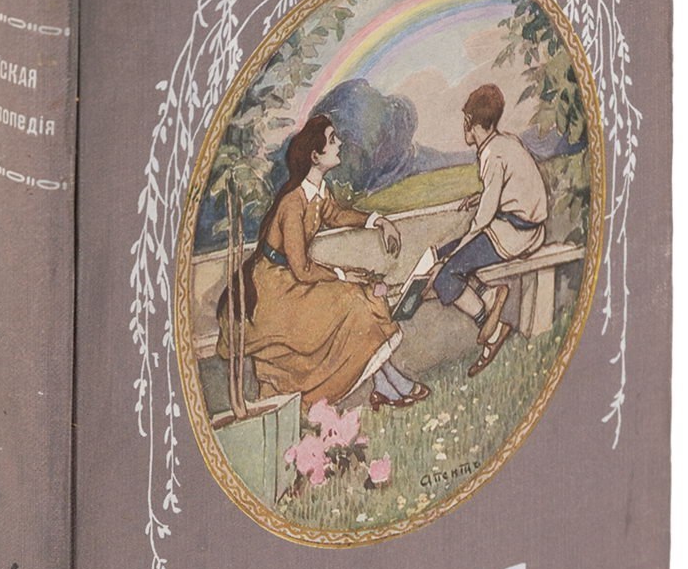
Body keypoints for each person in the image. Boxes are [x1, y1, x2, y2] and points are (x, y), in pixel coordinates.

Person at [216, 113, 426, 413]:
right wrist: (342, 274)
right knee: (353, 301)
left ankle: (385, 384)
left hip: (293, 280)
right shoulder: (293, 203)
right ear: (315, 156)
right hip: (274, 290)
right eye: (332, 140)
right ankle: (389, 383)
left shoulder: (318, 191)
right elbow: (301, 269)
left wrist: (378, 220)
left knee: (359, 297)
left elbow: (336, 215)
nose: (339, 144)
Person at [433, 84, 549, 375]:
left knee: (445, 275)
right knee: (445, 254)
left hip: (515, 234)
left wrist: (459, 249)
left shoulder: (491, 155)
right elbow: (506, 190)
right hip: (529, 229)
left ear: (469, 122)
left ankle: (491, 329)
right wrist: (480, 197)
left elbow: (483, 219)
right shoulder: (505, 142)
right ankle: (489, 298)